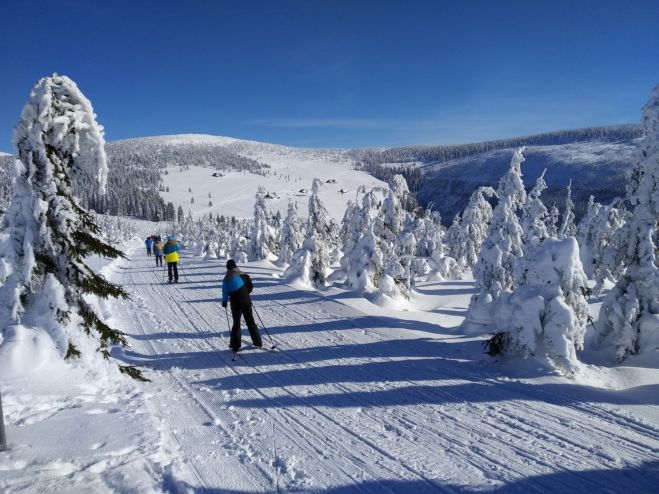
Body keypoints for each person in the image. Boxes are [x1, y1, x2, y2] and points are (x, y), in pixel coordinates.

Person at [221, 259, 262, 351]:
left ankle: (235, 346)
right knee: (251, 321)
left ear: (228, 268)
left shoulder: (227, 278)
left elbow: (225, 292)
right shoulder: (243, 274)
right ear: (235, 266)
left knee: (236, 323)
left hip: (236, 302)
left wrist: (224, 302)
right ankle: (258, 342)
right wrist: (246, 294)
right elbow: (250, 286)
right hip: (246, 300)